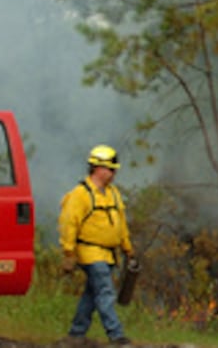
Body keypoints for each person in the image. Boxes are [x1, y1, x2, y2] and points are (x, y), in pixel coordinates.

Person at [58, 144, 134, 345]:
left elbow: (121, 222)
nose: (114, 173)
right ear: (98, 168)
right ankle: (116, 334)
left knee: (92, 294)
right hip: (90, 253)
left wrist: (127, 247)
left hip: (109, 254)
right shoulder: (81, 194)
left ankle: (76, 333)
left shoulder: (113, 193)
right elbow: (68, 223)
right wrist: (68, 251)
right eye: (111, 169)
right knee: (105, 291)